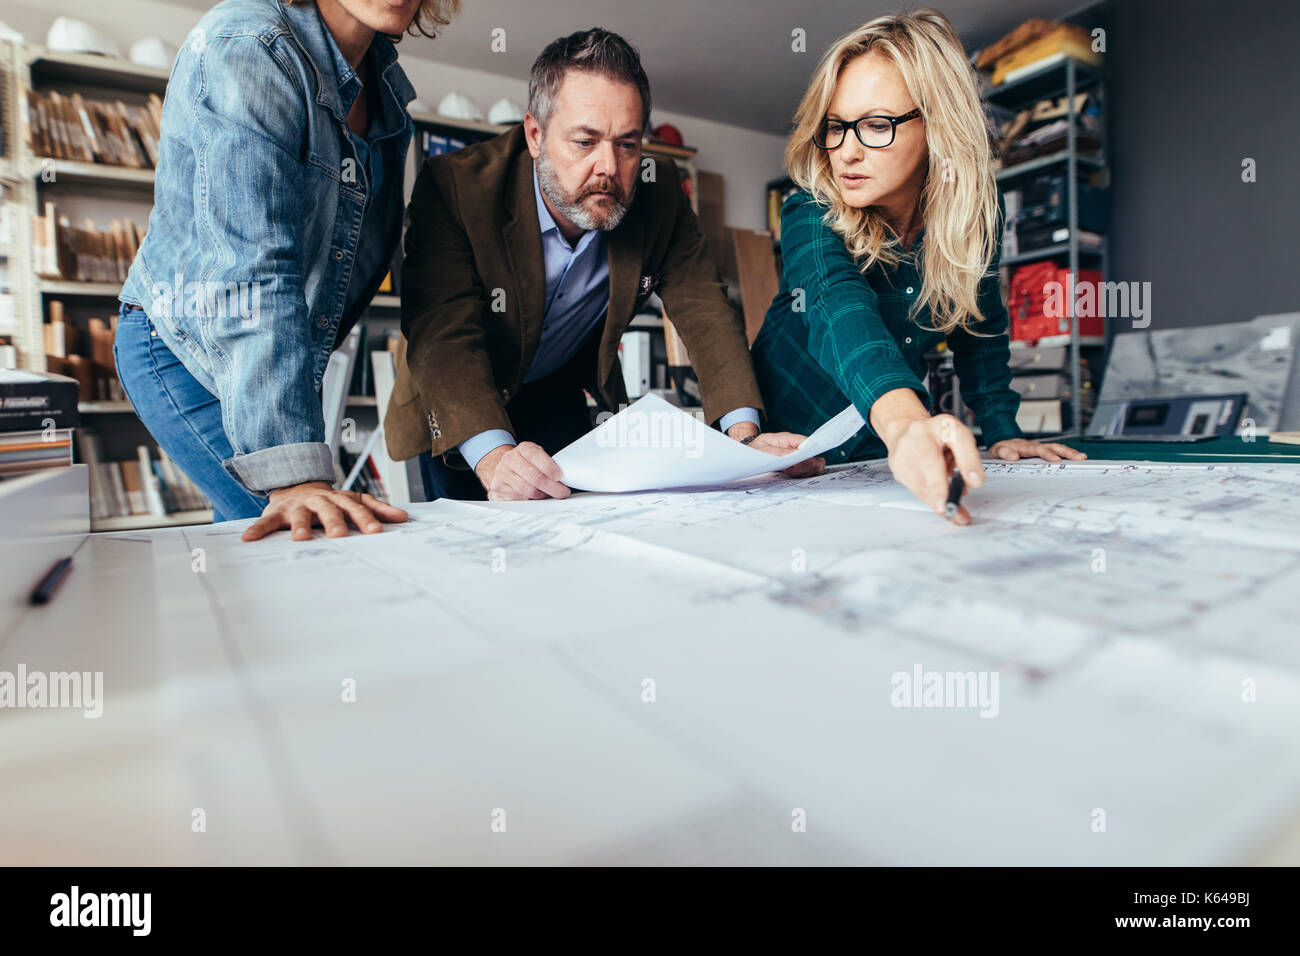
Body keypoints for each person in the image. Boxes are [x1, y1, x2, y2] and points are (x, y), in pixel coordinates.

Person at [384, 28, 823, 501]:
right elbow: (445, 333)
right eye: (585, 141)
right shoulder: (455, 188)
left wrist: (746, 438)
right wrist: (493, 459)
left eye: (627, 145)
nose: (610, 168)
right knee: (470, 555)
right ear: (535, 135)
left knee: (576, 536)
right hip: (462, 401)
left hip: (557, 390)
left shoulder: (659, 195)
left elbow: (706, 311)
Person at [115, 0, 459, 540]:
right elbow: (249, 271)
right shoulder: (247, 46)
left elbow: (356, 257)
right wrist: (294, 475)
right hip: (187, 347)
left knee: (258, 558)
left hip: (270, 357)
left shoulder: (387, 85)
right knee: (304, 540)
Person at [751, 9, 1086, 525]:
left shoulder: (975, 213)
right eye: (836, 127)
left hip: (879, 460)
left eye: (877, 125)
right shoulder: (809, 208)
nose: (847, 152)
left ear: (936, 123)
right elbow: (838, 307)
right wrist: (908, 424)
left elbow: (982, 327)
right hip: (788, 449)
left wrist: (1001, 430)